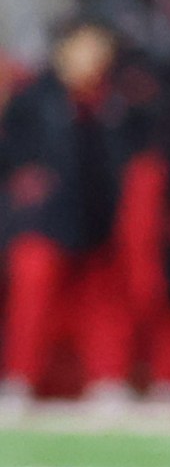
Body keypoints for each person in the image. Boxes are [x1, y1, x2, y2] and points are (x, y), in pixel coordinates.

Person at [0, 20, 142, 408]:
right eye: (85, 47)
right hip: (44, 218)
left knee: (103, 304)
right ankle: (18, 378)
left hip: (95, 214)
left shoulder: (111, 102)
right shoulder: (35, 97)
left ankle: (106, 379)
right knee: (31, 303)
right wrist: (25, 183)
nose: (93, 58)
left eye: (99, 50)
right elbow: (12, 150)